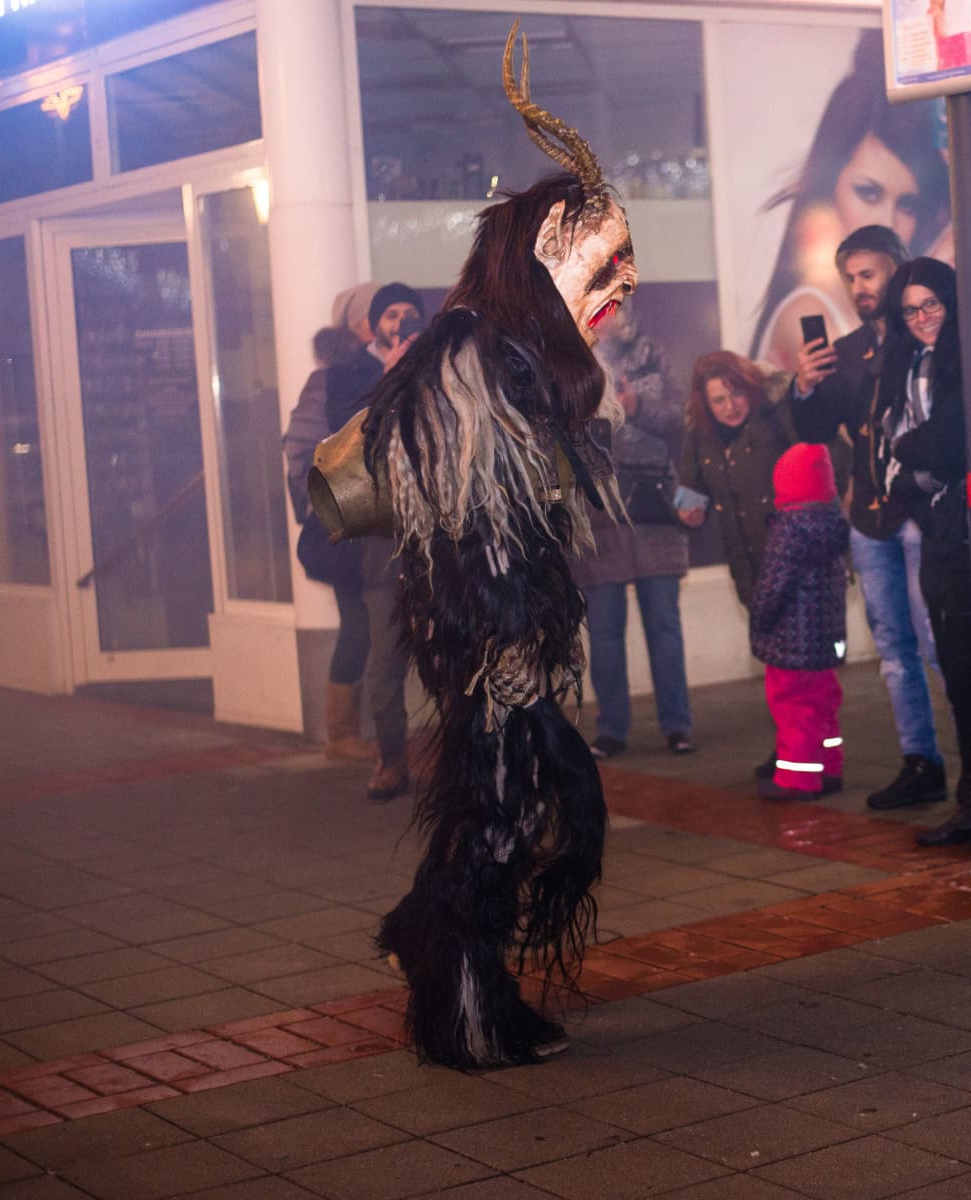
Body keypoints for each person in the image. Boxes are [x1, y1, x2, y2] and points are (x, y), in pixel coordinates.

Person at [360, 27, 627, 1069]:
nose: (619, 283)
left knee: (517, 804)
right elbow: (471, 519)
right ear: (549, 252)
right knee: (504, 811)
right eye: (603, 260)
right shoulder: (471, 357)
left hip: (505, 632)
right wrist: (507, 638)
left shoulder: (504, 352)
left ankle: (443, 958)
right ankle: (461, 1007)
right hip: (488, 636)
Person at [792, 225, 948, 812]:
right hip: (869, 521)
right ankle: (920, 760)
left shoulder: (929, 341)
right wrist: (805, 387)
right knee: (893, 651)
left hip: (923, 515)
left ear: (898, 270)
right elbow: (812, 430)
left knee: (939, 643)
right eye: (850, 278)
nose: (859, 287)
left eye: (869, 274)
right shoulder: (848, 352)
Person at [748, 30, 951, 371]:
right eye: (868, 193)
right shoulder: (809, 315)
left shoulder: (893, 300)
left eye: (908, 206)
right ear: (830, 188)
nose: (887, 223)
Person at [873, 257, 971, 849]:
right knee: (959, 676)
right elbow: (899, 450)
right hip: (938, 529)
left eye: (931, 305)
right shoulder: (906, 364)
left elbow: (946, 440)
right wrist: (911, 458)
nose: (922, 318)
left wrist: (908, 452)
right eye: (910, 310)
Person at [573, 301, 694, 760]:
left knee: (664, 624)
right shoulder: (570, 361)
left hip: (652, 507)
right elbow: (555, 436)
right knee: (604, 630)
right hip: (599, 512)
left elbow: (682, 419)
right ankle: (611, 729)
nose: (604, 313)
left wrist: (636, 406)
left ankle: (677, 725)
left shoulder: (652, 354)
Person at [325, 280, 421, 801]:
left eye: (409, 313)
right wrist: (388, 377)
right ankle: (392, 758)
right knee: (385, 664)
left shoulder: (437, 372)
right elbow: (344, 443)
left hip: (438, 541)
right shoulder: (350, 374)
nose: (401, 322)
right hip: (384, 545)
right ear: (375, 325)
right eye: (391, 315)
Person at [283, 281, 375, 762]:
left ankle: (365, 731)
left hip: (385, 524)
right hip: (348, 524)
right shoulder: (328, 382)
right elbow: (301, 451)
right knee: (358, 623)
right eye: (379, 314)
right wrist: (327, 503)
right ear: (358, 323)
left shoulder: (389, 369)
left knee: (377, 623)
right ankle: (340, 734)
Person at [750, 442, 848, 801]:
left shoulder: (789, 528)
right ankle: (829, 767)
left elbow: (773, 585)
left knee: (793, 707)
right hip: (824, 640)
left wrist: (759, 619)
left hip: (791, 640)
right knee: (823, 704)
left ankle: (798, 778)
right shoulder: (833, 524)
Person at [677, 351, 797, 609]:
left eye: (736, 394)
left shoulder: (776, 414)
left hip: (796, 561)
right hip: (748, 572)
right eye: (719, 400)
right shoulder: (699, 434)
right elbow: (689, 488)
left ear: (750, 388)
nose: (730, 407)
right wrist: (687, 512)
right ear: (706, 404)